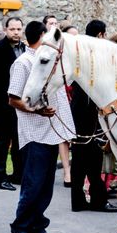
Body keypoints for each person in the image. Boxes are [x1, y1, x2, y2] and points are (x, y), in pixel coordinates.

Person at [8, 21, 75, 233]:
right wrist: (38, 110)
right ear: (41, 36)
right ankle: (20, 228)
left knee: (45, 185)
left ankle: (37, 226)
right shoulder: (23, 63)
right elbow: (13, 98)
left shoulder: (46, 59)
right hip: (33, 132)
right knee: (33, 184)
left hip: (50, 132)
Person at [71, 20, 117, 213]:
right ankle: (98, 200)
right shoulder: (96, 54)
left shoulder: (80, 53)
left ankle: (79, 200)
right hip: (89, 108)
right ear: (101, 35)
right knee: (93, 156)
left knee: (79, 156)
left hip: (78, 107)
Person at [0, 17, 25, 191]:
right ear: (5, 30)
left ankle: (18, 174)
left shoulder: (26, 49)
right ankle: (0, 176)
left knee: (19, 140)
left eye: (18, 29)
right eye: (12, 29)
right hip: (2, 102)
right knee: (2, 141)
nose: (16, 32)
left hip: (21, 102)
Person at [42, 14, 71, 187]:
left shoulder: (62, 45)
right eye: (50, 23)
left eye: (56, 23)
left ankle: (67, 171)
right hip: (48, 91)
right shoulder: (45, 46)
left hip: (61, 91)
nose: (54, 25)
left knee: (64, 134)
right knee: (51, 133)